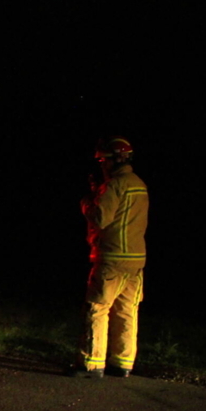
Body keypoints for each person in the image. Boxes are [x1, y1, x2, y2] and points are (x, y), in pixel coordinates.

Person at [75, 137, 148, 378]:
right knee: (127, 311)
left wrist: (88, 201)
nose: (101, 165)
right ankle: (123, 363)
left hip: (112, 258)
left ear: (113, 160)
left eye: (102, 160)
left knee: (97, 308)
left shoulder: (114, 185)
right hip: (136, 260)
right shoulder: (138, 184)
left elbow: (100, 217)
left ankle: (92, 365)